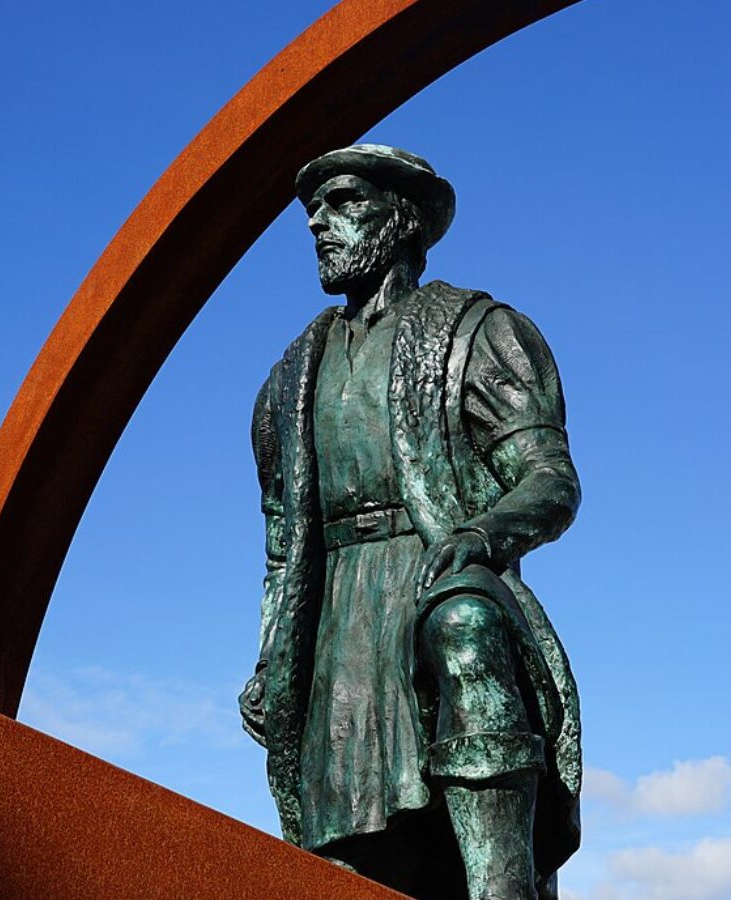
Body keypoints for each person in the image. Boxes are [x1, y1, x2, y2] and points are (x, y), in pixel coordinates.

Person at [239, 144, 582, 900]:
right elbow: (278, 545)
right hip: (334, 625)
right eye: (313, 212)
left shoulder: (478, 330)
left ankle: (506, 888)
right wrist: (270, 656)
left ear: (401, 220)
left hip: (435, 577)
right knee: (353, 864)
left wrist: (480, 536)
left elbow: (551, 479)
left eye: (343, 202)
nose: (319, 225)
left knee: (465, 625)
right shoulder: (288, 380)